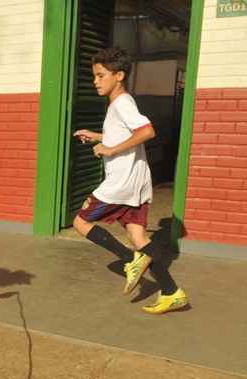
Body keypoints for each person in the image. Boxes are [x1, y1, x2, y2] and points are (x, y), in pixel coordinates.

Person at [72, 47, 187, 314]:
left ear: (119, 75)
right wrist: (99, 137)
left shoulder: (122, 102)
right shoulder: (118, 104)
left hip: (121, 183)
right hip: (136, 181)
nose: (95, 81)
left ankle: (129, 260)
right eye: (95, 76)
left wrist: (109, 150)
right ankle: (172, 293)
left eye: (101, 76)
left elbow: (147, 131)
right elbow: (125, 133)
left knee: (81, 221)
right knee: (138, 237)